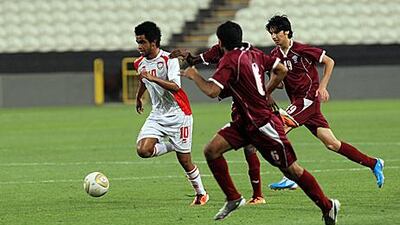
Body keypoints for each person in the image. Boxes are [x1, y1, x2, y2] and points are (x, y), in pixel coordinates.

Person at [181, 21, 340, 224]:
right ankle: (233, 198)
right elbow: (281, 70)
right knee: (211, 150)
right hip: (243, 122)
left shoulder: (230, 60)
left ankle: (328, 206)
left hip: (263, 124)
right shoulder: (252, 52)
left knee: (292, 171)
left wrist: (194, 75)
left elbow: (212, 91)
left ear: (220, 42)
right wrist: (266, 91)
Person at [264, 15, 384, 190]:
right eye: (271, 33)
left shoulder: (301, 49)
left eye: (277, 33)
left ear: (287, 32)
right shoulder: (275, 55)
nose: (274, 37)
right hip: (300, 103)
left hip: (308, 99)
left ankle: (290, 175)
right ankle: (374, 163)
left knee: (278, 129)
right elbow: (279, 82)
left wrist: (322, 87)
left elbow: (329, 61)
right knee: (332, 143)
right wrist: (274, 81)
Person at [171, 43, 266, 205]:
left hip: (253, 104)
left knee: (251, 148)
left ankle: (256, 195)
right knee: (246, 147)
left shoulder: (251, 53)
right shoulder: (219, 50)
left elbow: (212, 91)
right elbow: (196, 60)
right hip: (239, 103)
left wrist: (267, 90)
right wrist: (183, 58)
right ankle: (255, 195)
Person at [133, 21, 209, 206]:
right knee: (143, 150)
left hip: (179, 114)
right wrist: (139, 97)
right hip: (158, 114)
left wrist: (154, 78)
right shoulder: (138, 63)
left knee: (185, 161)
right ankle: (173, 145)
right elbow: (144, 79)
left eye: (142, 42)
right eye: (137, 42)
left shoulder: (169, 60)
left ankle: (201, 194)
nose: (139, 47)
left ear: (154, 42)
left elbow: (175, 87)